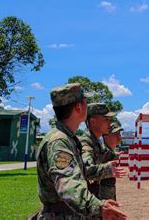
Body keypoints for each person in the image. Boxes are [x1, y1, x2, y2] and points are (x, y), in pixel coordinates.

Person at [36, 83, 126, 219]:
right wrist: (97, 207)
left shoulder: (67, 138)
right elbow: (68, 184)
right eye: (85, 101)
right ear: (78, 107)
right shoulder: (59, 142)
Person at [79, 103, 126, 198]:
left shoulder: (96, 142)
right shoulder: (86, 142)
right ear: (93, 121)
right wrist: (108, 168)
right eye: (106, 119)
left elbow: (105, 155)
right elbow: (87, 170)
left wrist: (114, 156)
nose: (109, 123)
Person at [100, 116, 124, 200]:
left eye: (119, 134)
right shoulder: (101, 152)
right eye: (115, 134)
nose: (119, 137)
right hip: (101, 195)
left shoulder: (110, 152)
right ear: (105, 136)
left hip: (108, 192)